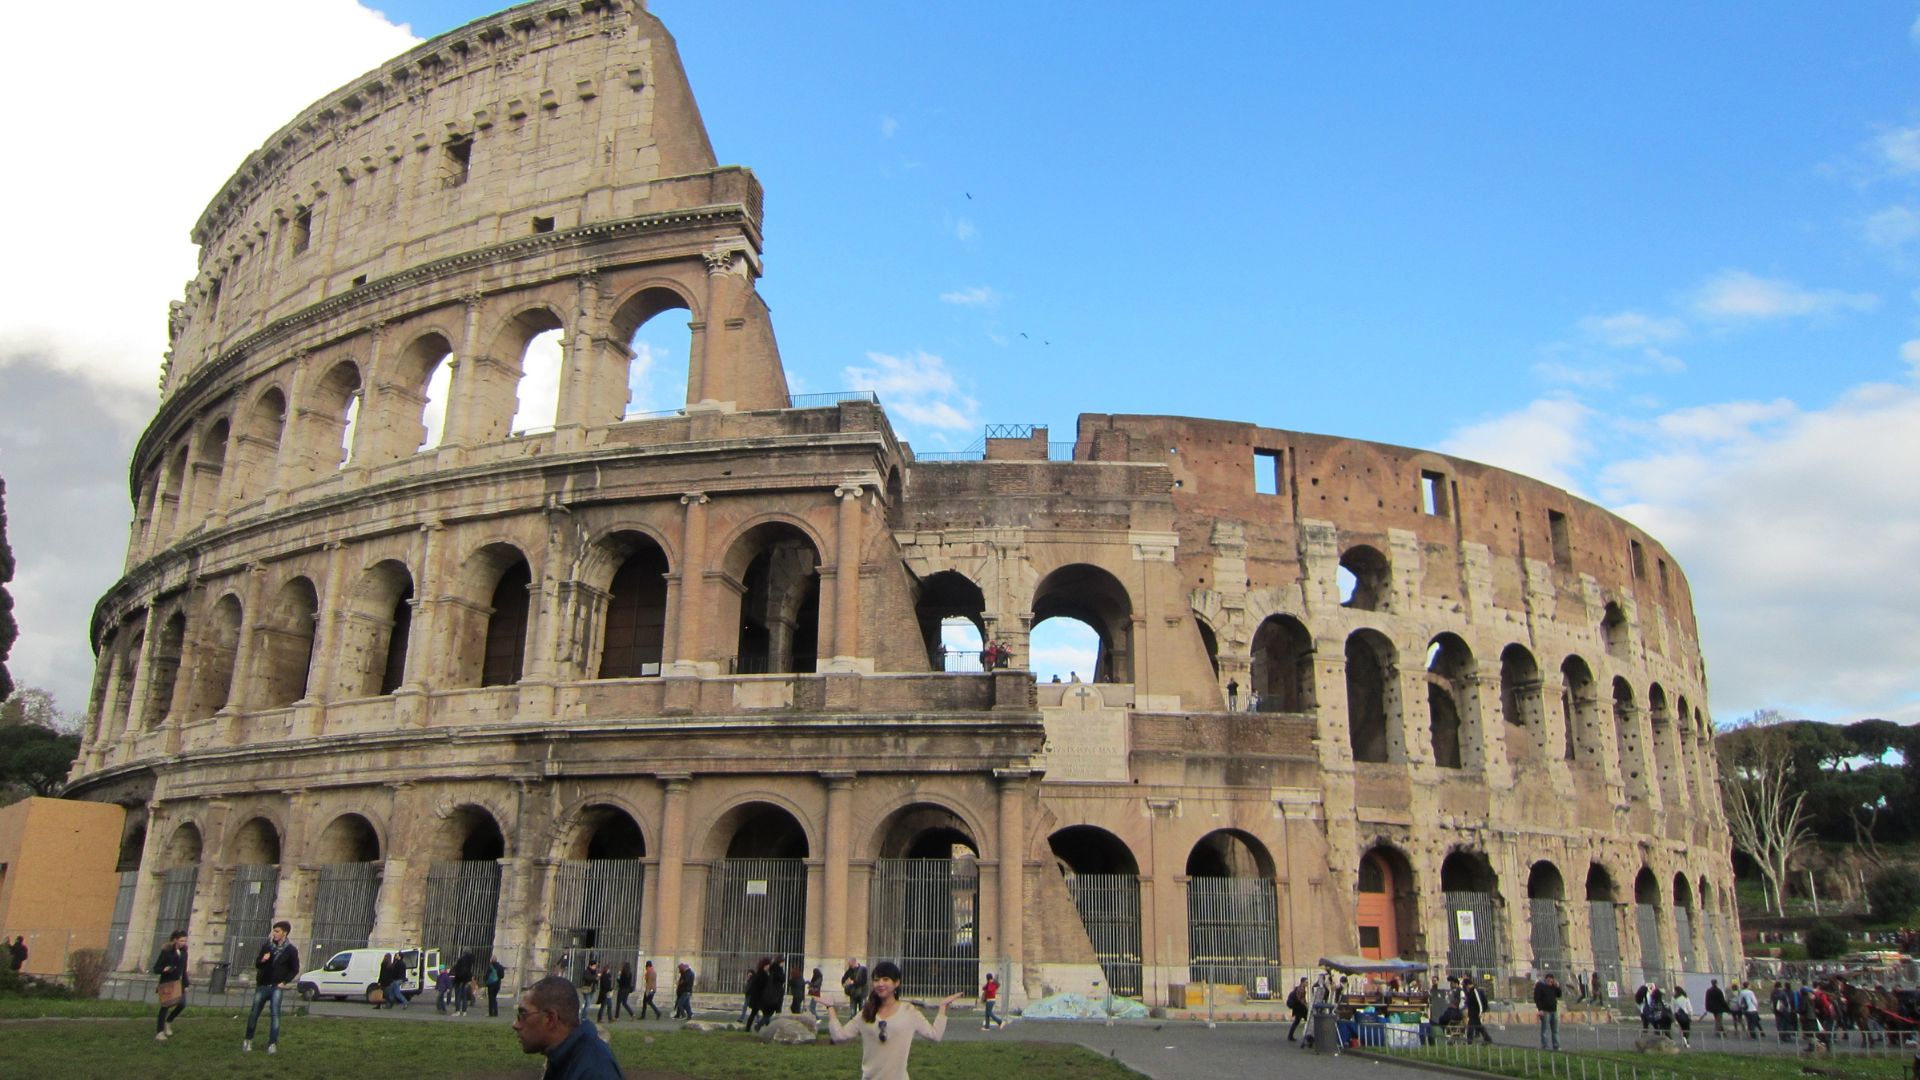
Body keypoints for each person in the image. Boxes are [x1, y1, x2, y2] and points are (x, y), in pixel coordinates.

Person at [826, 960, 962, 1080]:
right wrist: (830, 1007)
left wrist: (943, 1007)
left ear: (896, 983)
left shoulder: (909, 1012)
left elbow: (935, 1035)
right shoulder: (866, 1013)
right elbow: (839, 1036)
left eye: (886, 979)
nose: (880, 984)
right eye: (876, 980)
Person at [514, 974, 622, 1080]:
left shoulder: (594, 1071)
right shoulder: (564, 1058)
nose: (515, 1025)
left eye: (523, 1015)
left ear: (550, 1019)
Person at [242, 919, 299, 1054]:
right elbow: (257, 964)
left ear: (285, 933)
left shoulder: (291, 950)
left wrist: (284, 982)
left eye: (277, 931)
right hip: (262, 985)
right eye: (274, 931)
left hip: (276, 987)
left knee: (275, 1015)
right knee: (254, 1013)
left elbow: (294, 968)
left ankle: (272, 1043)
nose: (274, 933)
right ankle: (248, 1040)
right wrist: (263, 960)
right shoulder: (267, 947)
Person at [152, 929, 189, 1042]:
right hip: (167, 982)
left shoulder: (184, 953)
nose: (183, 943)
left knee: (182, 1004)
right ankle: (159, 1032)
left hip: (178, 982)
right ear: (175, 940)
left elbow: (183, 970)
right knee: (165, 1007)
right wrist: (164, 969)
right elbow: (156, 968)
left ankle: (169, 1022)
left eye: (185, 941)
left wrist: (186, 984)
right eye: (181, 940)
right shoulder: (166, 951)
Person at [1533, 972, 1561, 1051]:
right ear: (1546, 979)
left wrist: (1557, 987)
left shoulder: (1553, 987)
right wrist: (1540, 1009)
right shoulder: (1540, 986)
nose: (1550, 982)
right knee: (1545, 1029)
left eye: (1551, 981)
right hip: (1545, 1011)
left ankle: (1556, 1046)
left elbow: (1559, 995)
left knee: (1555, 1030)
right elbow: (1537, 998)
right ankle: (1545, 1045)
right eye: (1548, 980)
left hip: (1553, 1010)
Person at [760, 956, 788, 1030]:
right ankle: (760, 1025)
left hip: (773, 993)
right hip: (777, 993)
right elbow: (782, 979)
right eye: (782, 962)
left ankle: (767, 1025)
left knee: (772, 1011)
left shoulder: (772, 969)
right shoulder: (778, 970)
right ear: (780, 962)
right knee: (775, 1011)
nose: (783, 964)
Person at [1462, 975, 1492, 1045]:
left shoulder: (1475, 991)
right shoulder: (1470, 992)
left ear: (1469, 985)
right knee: (1479, 1027)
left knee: (1471, 1027)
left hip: (1476, 1013)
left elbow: (1480, 1003)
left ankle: (1469, 1042)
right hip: (1472, 1013)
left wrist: (1481, 1012)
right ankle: (1487, 1039)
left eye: (1466, 986)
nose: (1466, 988)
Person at [452, 950, 477, 1016]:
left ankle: (457, 1011)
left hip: (459, 979)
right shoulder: (470, 961)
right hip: (467, 979)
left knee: (458, 996)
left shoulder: (461, 960)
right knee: (465, 996)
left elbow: (457, 969)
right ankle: (464, 1011)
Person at [1285, 977, 1309, 1042]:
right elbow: (1299, 998)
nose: (1307, 983)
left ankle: (1290, 1036)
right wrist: (1305, 1004)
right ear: (1302, 982)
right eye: (1306, 982)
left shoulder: (1300, 988)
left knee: (1298, 1022)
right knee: (1306, 1021)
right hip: (1300, 1008)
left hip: (1299, 1008)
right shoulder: (1301, 989)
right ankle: (1309, 1037)